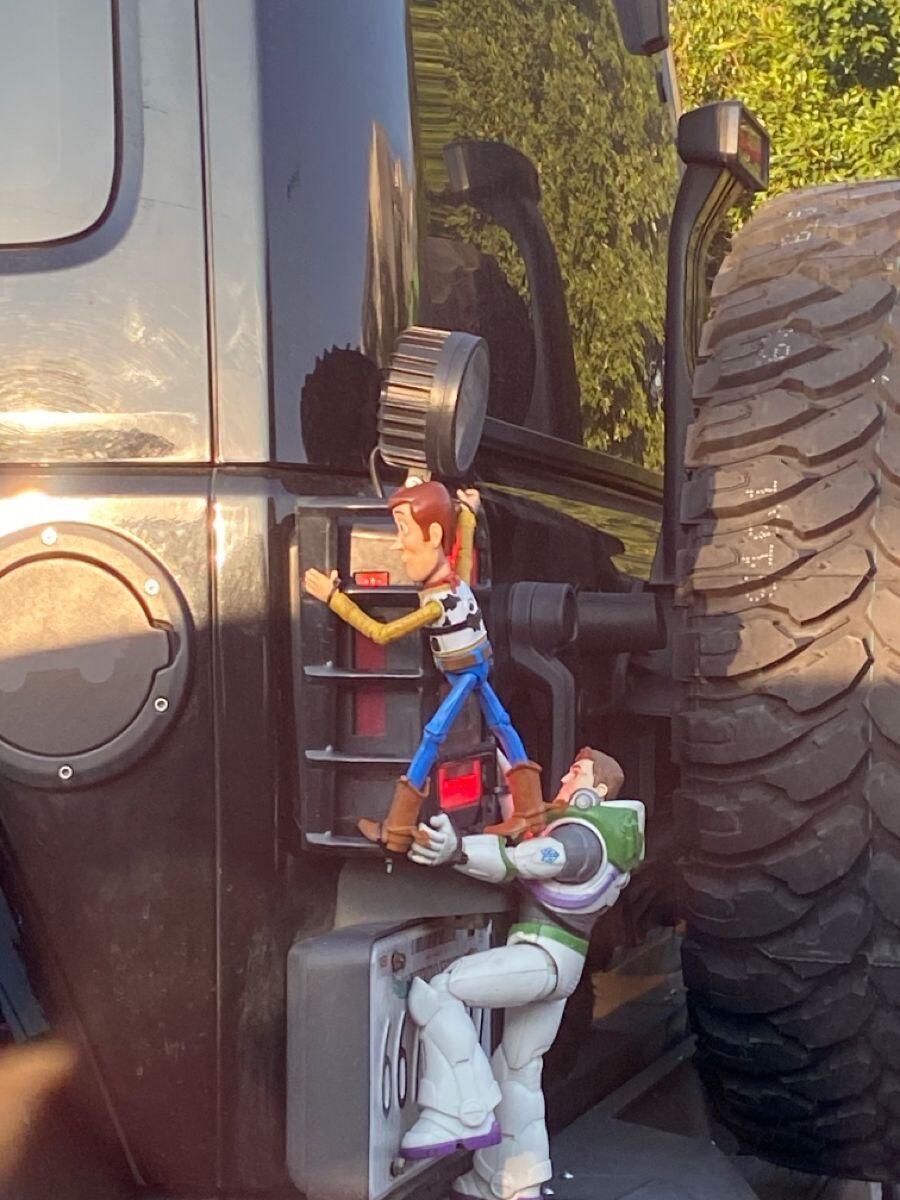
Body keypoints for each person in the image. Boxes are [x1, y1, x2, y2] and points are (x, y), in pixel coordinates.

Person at [400, 747, 644, 1200]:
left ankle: (461, 1110)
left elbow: (524, 859)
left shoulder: (580, 841)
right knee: (518, 1069)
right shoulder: (605, 836)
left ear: (596, 790)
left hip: (541, 956)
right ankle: (512, 1182)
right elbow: (530, 830)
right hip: (560, 965)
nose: (565, 779)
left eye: (575, 773)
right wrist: (509, 775)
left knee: (442, 991)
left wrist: (456, 851)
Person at [303, 479, 542, 852]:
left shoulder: (436, 603)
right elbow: (463, 550)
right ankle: (531, 812)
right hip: (478, 667)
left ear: (433, 536)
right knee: (502, 725)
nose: (397, 545)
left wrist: (333, 598)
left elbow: (381, 633)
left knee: (433, 736)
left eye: (403, 530)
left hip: (465, 673)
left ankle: (398, 829)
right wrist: (468, 514)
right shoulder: (457, 580)